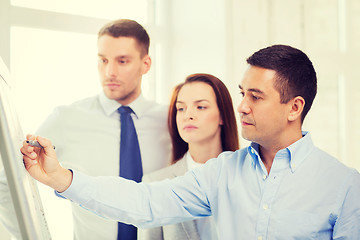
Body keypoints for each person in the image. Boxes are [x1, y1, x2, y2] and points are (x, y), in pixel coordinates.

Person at [21, 45, 360, 239]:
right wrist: (61, 178)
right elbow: (144, 201)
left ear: (294, 108)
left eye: (256, 96)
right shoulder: (221, 173)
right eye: (242, 94)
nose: (242, 105)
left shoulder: (344, 187)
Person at [1, 19, 171, 240]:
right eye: (103, 60)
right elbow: (8, 183)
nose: (110, 72)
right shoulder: (67, 118)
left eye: (122, 61)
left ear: (146, 64)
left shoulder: (171, 120)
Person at [138, 73, 239, 240]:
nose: (188, 115)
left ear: (222, 115)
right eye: (181, 108)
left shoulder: (248, 176)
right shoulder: (156, 184)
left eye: (201, 107)